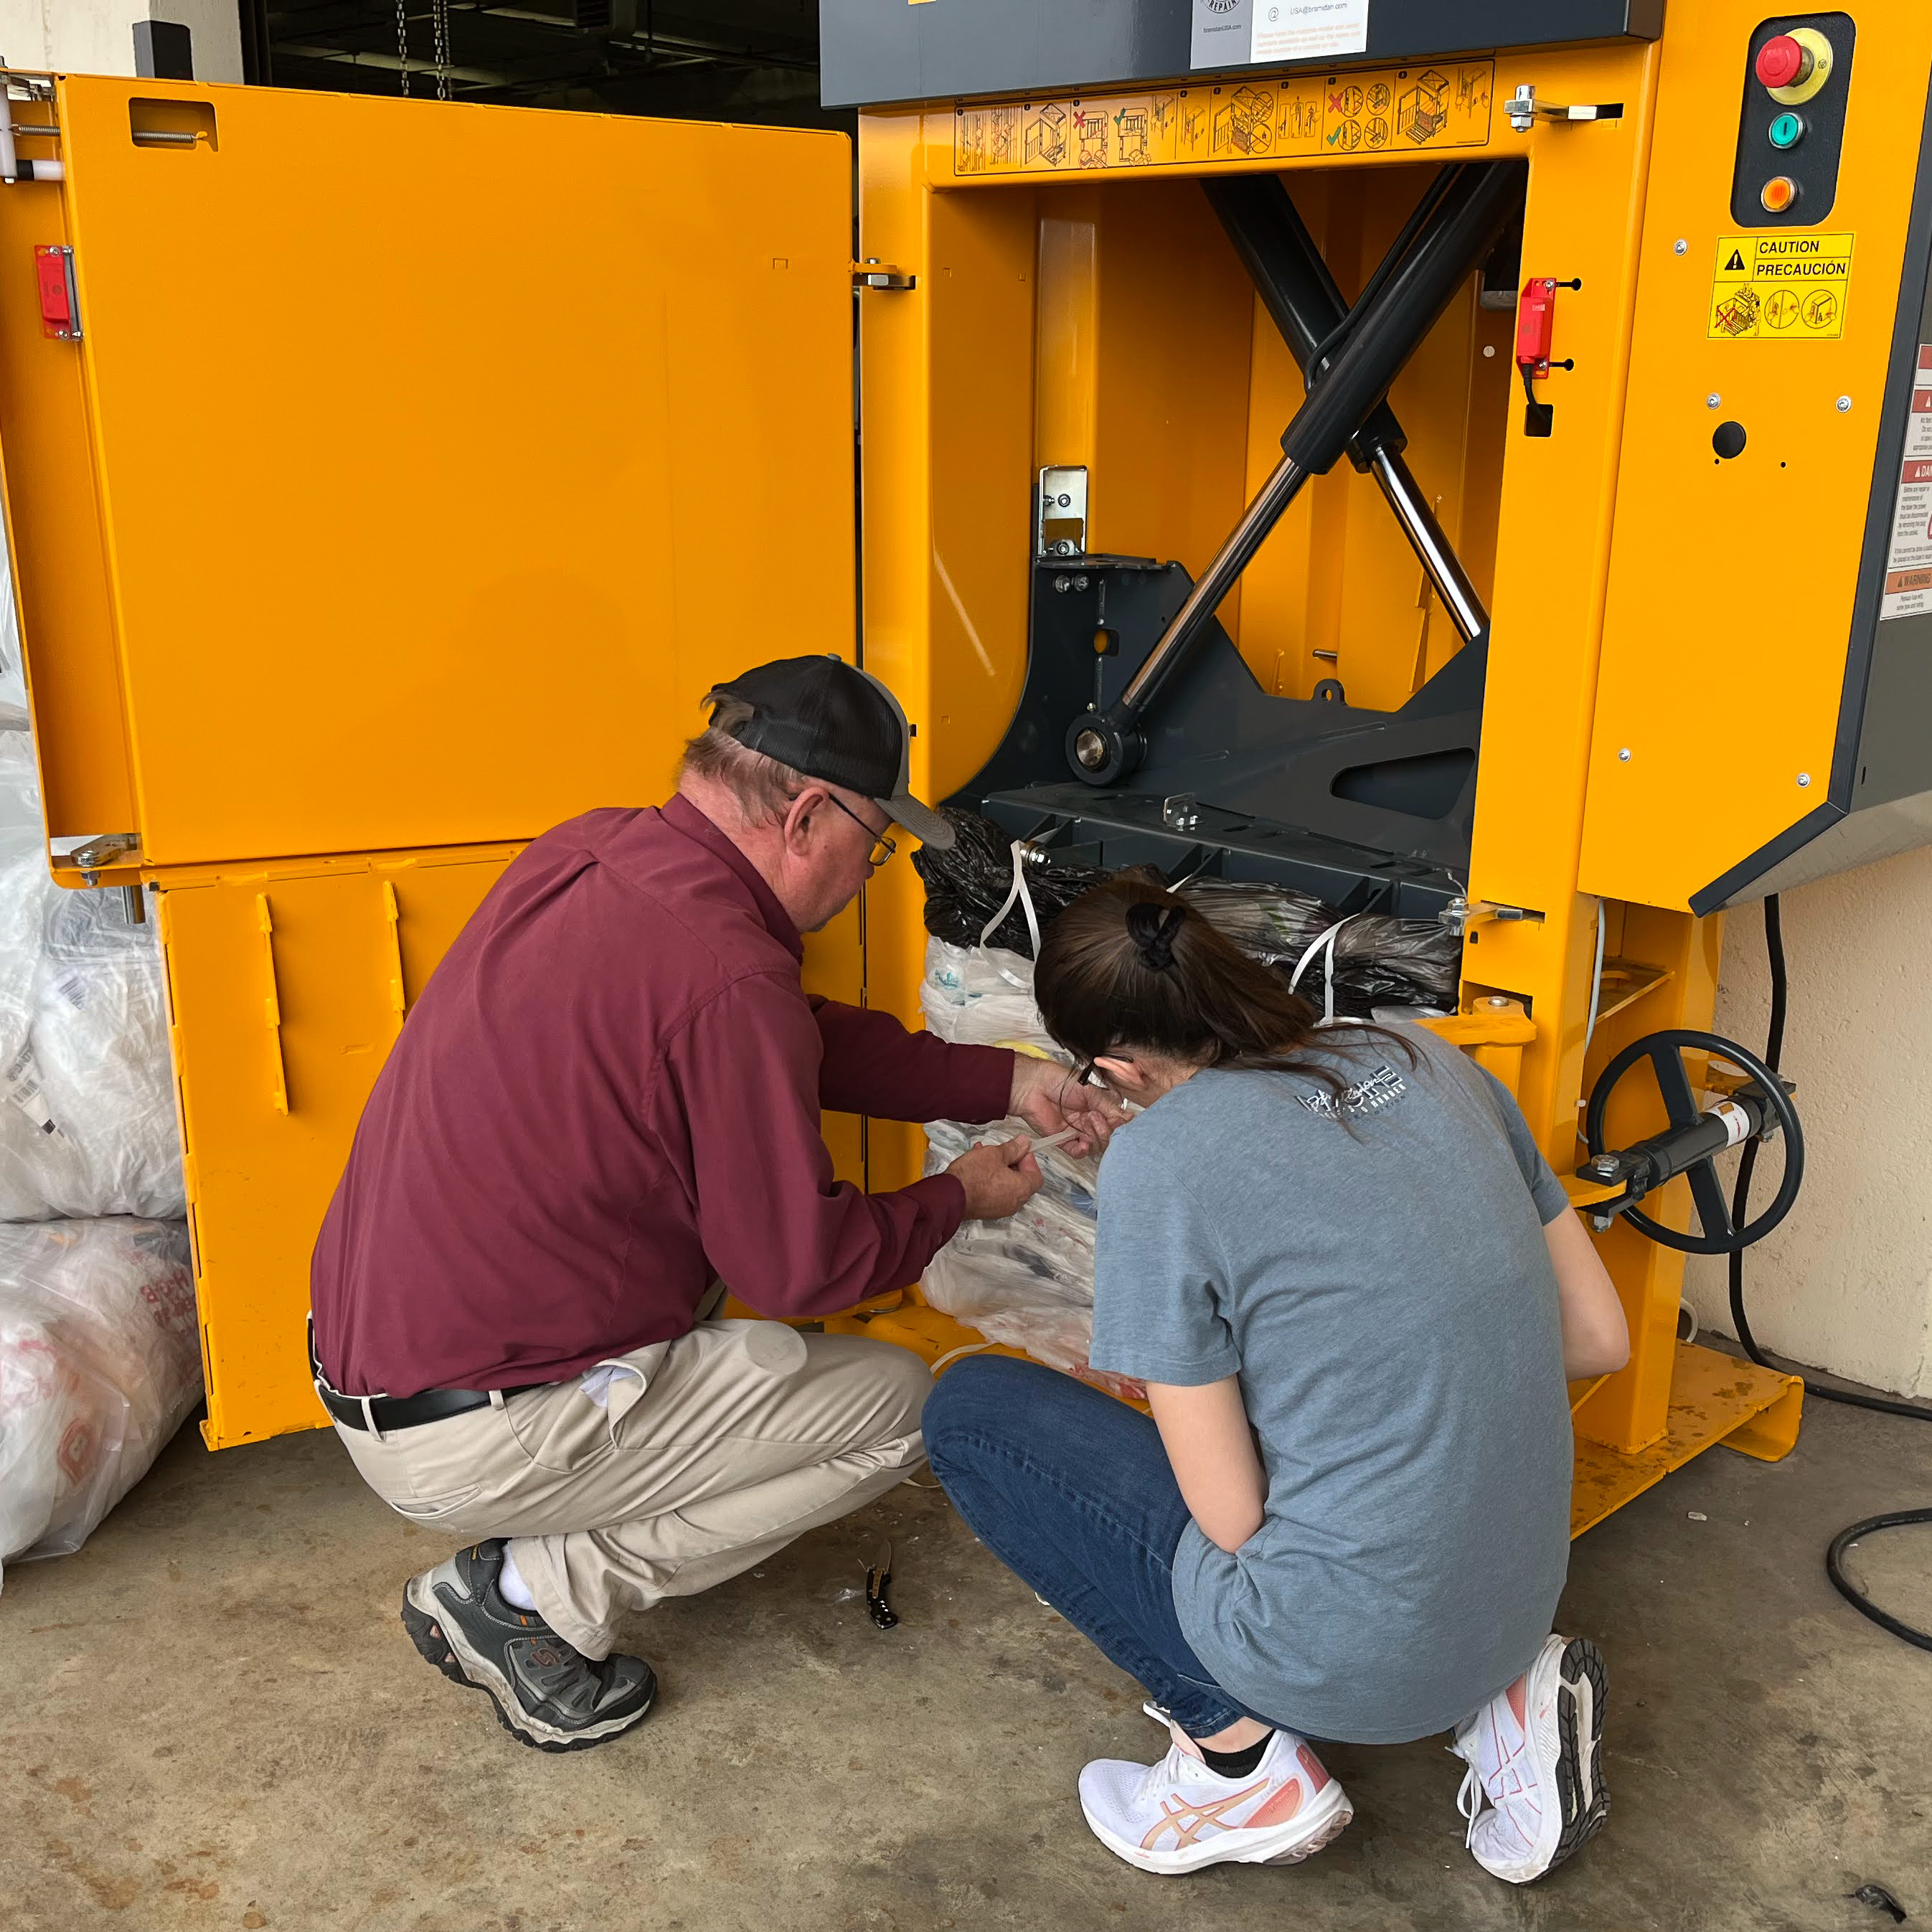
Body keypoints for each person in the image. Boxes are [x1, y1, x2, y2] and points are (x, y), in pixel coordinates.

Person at [308, 654, 1121, 1752]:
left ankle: (541, 1528)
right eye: (874, 842)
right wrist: (956, 1198)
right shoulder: (728, 978)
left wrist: (1004, 1079)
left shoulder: (595, 849)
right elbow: (801, 1267)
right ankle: (531, 1595)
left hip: (379, 1362)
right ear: (804, 815)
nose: (869, 870)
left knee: (717, 1298)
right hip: (472, 1432)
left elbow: (779, 1028)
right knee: (902, 1407)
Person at [923, 875, 1629, 1882]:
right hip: (1510, 1600)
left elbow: (1231, 1516)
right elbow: (1598, 1335)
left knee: (972, 1410)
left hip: (1342, 1653)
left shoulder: (1161, 1165)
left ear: (1114, 1064)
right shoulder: (1426, 1057)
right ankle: (1502, 1699)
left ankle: (1236, 1761)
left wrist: (1154, 1180)